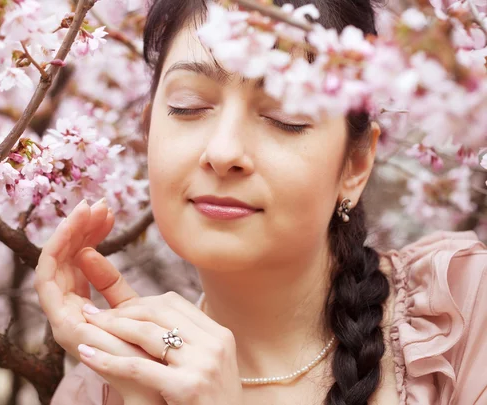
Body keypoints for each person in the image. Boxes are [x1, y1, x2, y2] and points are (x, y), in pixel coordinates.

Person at [33, 0, 487, 404]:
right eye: (189, 106)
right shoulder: (100, 393)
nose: (224, 152)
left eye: (283, 117)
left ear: (355, 164)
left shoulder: (463, 317)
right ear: (148, 130)